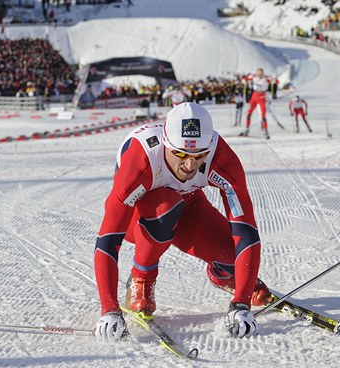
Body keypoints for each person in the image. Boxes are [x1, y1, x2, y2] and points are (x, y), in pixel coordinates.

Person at [94, 102, 274, 342]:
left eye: (199, 156)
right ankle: (141, 279)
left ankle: (223, 274)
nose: (189, 165)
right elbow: (107, 241)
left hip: (189, 203)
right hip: (142, 216)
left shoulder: (221, 156)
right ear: (166, 144)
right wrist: (109, 309)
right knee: (166, 206)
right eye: (180, 154)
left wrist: (240, 303)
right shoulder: (142, 159)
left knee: (232, 256)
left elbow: (247, 233)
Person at [241, 67, 274, 139]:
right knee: (249, 113)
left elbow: (275, 81)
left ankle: (265, 131)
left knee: (263, 115)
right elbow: (245, 78)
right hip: (255, 96)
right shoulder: (254, 77)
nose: (259, 74)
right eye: (258, 73)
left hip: (262, 97)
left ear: (262, 73)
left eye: (260, 73)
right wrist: (244, 80)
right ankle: (247, 129)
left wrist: (271, 80)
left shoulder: (265, 79)